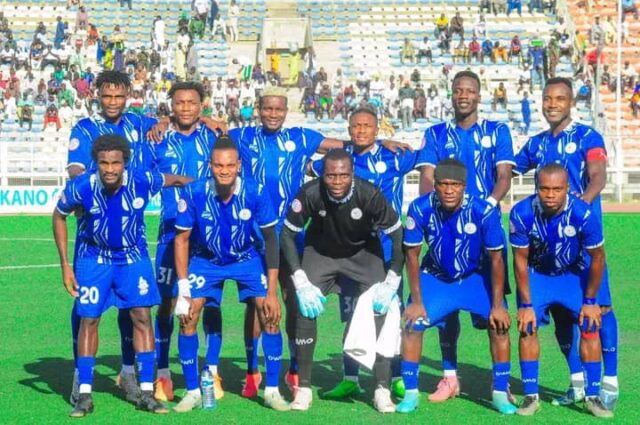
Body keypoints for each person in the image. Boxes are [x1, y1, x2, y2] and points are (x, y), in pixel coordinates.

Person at [227, 86, 409, 400]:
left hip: (292, 234)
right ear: (258, 108)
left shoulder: (302, 137)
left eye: (279, 109)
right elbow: (212, 135)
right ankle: (252, 370)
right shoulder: (242, 136)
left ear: (286, 111)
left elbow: (347, 144)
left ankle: (296, 370)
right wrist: (199, 121)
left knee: (295, 301)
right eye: (267, 108)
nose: (273, 114)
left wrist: (379, 142)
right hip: (255, 234)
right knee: (256, 304)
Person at [53, 134, 192, 417]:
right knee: (89, 320)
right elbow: (58, 216)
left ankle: (146, 393)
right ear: (96, 163)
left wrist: (205, 184)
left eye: (115, 163)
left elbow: (174, 180)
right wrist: (66, 264)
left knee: (142, 317)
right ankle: (84, 394)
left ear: (124, 163)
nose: (109, 169)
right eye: (103, 163)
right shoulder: (82, 186)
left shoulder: (142, 180)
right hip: (95, 259)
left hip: (133, 257)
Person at [513, 77, 618, 410]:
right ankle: (577, 383)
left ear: (571, 102)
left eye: (560, 98)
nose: (552, 104)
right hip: (548, 246)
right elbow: (508, 168)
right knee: (561, 314)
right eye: (548, 98)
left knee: (600, 309)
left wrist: (581, 204)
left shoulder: (588, 136)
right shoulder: (537, 143)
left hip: (583, 244)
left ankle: (610, 381)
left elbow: (598, 175)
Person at [416, 71, 515, 408]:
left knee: (494, 314)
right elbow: (427, 177)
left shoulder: (497, 131)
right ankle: (450, 377)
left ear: (478, 95)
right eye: (458, 90)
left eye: (469, 90)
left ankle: (500, 386)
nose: (463, 95)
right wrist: (431, 214)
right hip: (445, 230)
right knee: (446, 310)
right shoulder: (435, 133)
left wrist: (487, 206)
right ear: (451, 94)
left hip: (484, 231)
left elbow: (504, 176)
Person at [280, 149, 405, 412]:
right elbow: (287, 236)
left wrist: (392, 278)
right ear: (322, 174)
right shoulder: (310, 193)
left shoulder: (370, 194)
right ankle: (304, 388)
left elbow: (397, 233)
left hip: (363, 256)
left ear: (352, 174)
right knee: (304, 308)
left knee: (380, 309)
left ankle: (381, 388)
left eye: (343, 175)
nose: (337, 181)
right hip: (320, 254)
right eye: (331, 175)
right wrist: (300, 279)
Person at [171, 136, 290, 412]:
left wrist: (272, 292)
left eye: (229, 165)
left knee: (270, 314)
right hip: (206, 260)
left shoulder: (255, 191)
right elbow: (182, 240)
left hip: (246, 258)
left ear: (238, 166)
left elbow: (271, 240)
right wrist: (183, 289)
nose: (224, 171)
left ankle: (272, 390)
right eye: (218, 166)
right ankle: (192, 391)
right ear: (210, 166)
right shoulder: (194, 192)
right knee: (187, 316)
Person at [309, 107, 419, 400]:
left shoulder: (395, 156)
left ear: (377, 129)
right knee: (353, 313)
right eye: (355, 126)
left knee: (391, 313)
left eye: (367, 126)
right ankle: (350, 378)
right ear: (348, 129)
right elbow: (307, 166)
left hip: (388, 249)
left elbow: (428, 157)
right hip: (351, 251)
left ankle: (396, 377)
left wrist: (384, 144)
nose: (360, 131)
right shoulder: (338, 160)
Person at [396, 159, 514, 414]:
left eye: (455, 185)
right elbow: (412, 255)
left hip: (475, 277)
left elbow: (496, 259)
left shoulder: (483, 211)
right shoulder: (420, 208)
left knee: (500, 325)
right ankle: (411, 393)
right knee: (413, 324)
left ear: (464, 186)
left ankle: (499, 392)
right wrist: (417, 302)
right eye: (443, 184)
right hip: (437, 276)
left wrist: (497, 305)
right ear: (435, 185)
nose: (449, 190)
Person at [509, 164, 613, 418]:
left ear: (568, 188)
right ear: (536, 187)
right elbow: (519, 260)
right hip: (538, 276)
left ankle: (592, 396)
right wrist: (525, 305)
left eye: (557, 189)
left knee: (590, 325)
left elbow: (597, 258)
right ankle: (531, 396)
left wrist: (591, 300)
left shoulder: (584, 214)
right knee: (527, 327)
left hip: (573, 275)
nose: (550, 195)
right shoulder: (521, 213)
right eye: (544, 189)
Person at [146, 81, 222, 403]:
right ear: (171, 106)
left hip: (208, 235)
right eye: (180, 103)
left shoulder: (215, 137)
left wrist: (212, 122)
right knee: (166, 303)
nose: (186, 108)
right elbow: (145, 178)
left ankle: (212, 369)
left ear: (201, 106)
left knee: (210, 302)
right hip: (170, 232)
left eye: (192, 103)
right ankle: (163, 372)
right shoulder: (158, 139)